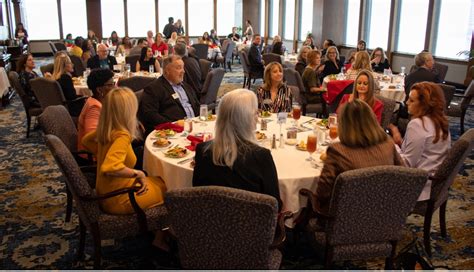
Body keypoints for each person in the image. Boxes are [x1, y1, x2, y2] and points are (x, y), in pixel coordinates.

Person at [81, 87, 168, 250]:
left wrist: (102, 152)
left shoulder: (107, 130)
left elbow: (86, 141)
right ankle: (161, 237)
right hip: (119, 198)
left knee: (157, 180)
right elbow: (110, 166)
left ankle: (159, 231)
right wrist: (138, 173)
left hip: (104, 192)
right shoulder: (121, 134)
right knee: (171, 190)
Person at [193, 89, 282, 209]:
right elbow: (274, 204)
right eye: (255, 113)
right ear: (245, 119)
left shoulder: (202, 150)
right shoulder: (261, 156)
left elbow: (196, 193)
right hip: (252, 225)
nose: (258, 118)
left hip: (209, 221)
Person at [315, 99, 404, 214]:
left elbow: (323, 192)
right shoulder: (388, 143)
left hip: (345, 217)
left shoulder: (338, 151)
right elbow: (402, 173)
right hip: (384, 212)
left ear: (344, 124)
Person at [389, 82, 451, 201]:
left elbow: (406, 165)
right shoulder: (440, 121)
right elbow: (424, 152)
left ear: (424, 105)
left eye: (412, 101)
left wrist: (391, 145)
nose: (406, 103)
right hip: (435, 182)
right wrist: (400, 142)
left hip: (417, 185)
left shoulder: (417, 124)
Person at [138, 55, 200, 135]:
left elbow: (197, 105)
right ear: (167, 71)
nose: (183, 71)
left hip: (195, 128)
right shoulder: (154, 89)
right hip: (172, 133)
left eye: (183, 68)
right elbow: (150, 114)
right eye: (179, 68)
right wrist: (172, 125)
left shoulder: (186, 86)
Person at [77, 68, 115, 153]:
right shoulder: (94, 107)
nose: (114, 87)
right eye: (111, 84)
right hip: (95, 157)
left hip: (105, 150)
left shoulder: (99, 101)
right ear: (99, 90)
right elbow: (93, 139)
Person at [302, 50, 326, 114]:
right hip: (311, 97)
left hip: (305, 96)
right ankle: (326, 115)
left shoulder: (307, 68)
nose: (319, 59)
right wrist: (324, 89)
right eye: (317, 58)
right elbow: (312, 89)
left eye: (319, 58)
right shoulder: (311, 72)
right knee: (331, 98)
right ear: (312, 59)